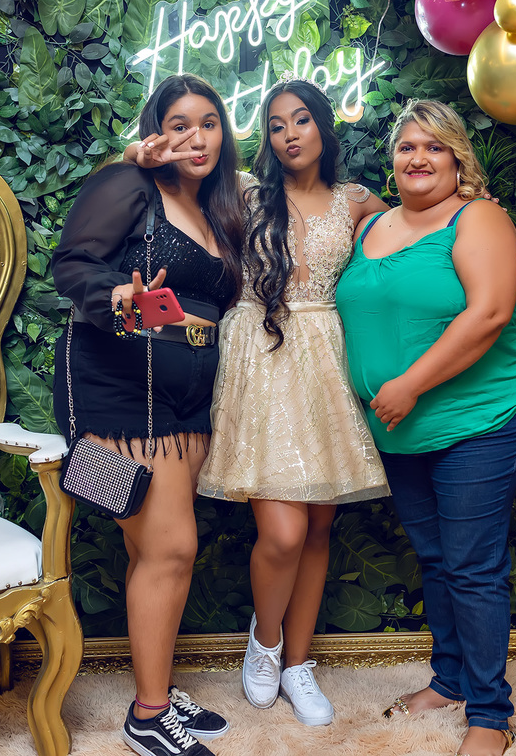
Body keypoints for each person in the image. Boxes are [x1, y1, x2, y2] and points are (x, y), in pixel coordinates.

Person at [129, 78, 389, 726]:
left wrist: (468, 204)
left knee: (320, 528)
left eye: (301, 119)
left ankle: (298, 664)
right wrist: (139, 154)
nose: (289, 134)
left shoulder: (358, 202)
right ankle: (265, 643)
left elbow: (417, 234)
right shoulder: (243, 191)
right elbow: (161, 186)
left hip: (327, 363)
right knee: (283, 531)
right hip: (260, 359)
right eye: (276, 125)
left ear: (324, 125)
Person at [334, 100, 516, 756]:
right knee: (436, 559)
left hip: (480, 418)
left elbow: (490, 313)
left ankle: (491, 715)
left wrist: (409, 384)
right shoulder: (372, 222)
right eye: (407, 147)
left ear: (458, 160)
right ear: (392, 161)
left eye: (434, 147)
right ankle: (450, 681)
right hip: (401, 430)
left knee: (472, 566)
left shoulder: (479, 218)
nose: (418, 158)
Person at [51, 73, 245, 756]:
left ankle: (156, 686)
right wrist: (118, 296)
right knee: (172, 548)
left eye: (209, 123)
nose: (197, 138)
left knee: (152, 550)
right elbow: (72, 264)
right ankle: (148, 715)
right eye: (180, 124)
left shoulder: (219, 208)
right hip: (120, 388)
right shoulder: (129, 185)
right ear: (155, 133)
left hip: (187, 398)